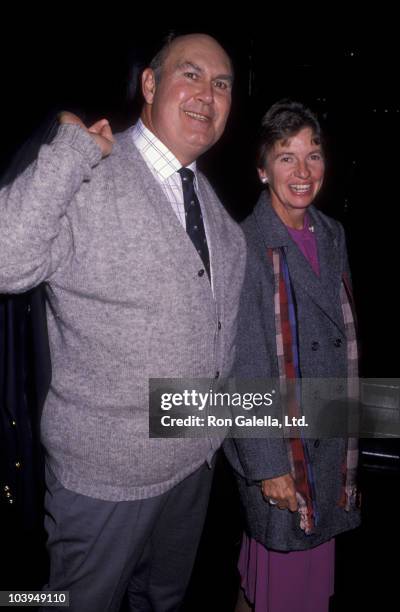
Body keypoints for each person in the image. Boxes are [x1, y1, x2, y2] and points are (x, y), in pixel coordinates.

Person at [0, 33, 246, 611]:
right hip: (105, 480)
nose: (207, 94)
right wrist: (69, 149)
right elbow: (7, 262)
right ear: (151, 85)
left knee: (163, 600)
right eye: (190, 75)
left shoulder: (219, 216)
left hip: (193, 469)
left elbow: (219, 352)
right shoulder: (89, 173)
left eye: (222, 84)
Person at [224, 99, 360, 612]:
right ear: (262, 169)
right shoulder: (247, 243)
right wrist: (268, 466)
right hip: (285, 451)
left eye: (314, 155)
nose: (303, 172)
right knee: (278, 576)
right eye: (286, 157)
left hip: (326, 437)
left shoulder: (332, 233)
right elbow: (245, 362)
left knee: (273, 578)